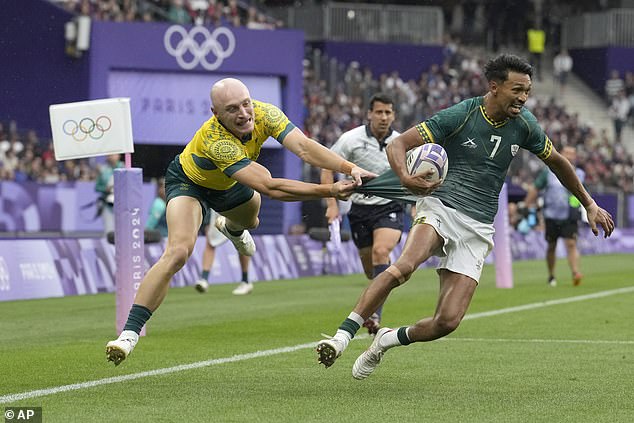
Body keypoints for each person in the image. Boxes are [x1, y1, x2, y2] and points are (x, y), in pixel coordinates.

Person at [316, 54, 615, 380]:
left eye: (527, 91)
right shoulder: (463, 114)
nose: (523, 98)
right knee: (403, 267)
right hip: (441, 206)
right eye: (517, 90)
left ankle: (386, 340)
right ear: (494, 87)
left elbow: (557, 161)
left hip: (478, 226)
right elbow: (398, 145)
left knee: (447, 322)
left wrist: (589, 203)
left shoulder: (525, 124)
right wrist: (404, 177)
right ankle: (342, 336)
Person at [105, 77, 375, 365]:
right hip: (189, 183)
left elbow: (305, 148)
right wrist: (330, 190)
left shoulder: (266, 114)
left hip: (231, 185)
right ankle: (128, 335)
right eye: (232, 109)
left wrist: (349, 167)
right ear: (216, 114)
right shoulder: (216, 141)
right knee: (178, 252)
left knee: (251, 220)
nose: (244, 114)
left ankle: (232, 227)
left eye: (246, 104)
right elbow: (270, 187)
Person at [320, 93, 404, 335]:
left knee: (381, 252)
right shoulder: (351, 139)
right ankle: (378, 288)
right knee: (371, 269)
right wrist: (332, 204)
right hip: (360, 210)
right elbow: (327, 166)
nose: (383, 117)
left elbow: (412, 174)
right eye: (379, 112)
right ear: (369, 114)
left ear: (394, 115)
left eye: (388, 112)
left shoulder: (401, 142)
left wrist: (416, 204)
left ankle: (374, 315)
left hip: (390, 207)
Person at [524, 146, 585, 287]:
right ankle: (551, 275)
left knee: (571, 243)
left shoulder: (580, 174)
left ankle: (576, 273)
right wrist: (526, 204)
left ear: (575, 157)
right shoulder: (548, 172)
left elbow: (584, 193)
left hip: (570, 214)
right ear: (561, 154)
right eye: (567, 153)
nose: (569, 156)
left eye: (572, 154)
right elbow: (536, 187)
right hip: (551, 214)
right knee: (552, 245)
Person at [194, 209, 253, 295]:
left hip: (237, 206)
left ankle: (245, 281)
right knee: (210, 242)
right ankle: (204, 279)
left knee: (242, 242)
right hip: (216, 208)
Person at [94, 153, 123, 235]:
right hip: (107, 205)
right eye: (109, 155)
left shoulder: (124, 168)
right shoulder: (103, 169)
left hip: (121, 205)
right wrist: (105, 189)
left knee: (121, 231)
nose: (111, 156)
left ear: (119, 155)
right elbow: (97, 187)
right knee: (109, 231)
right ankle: (109, 247)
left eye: (114, 154)